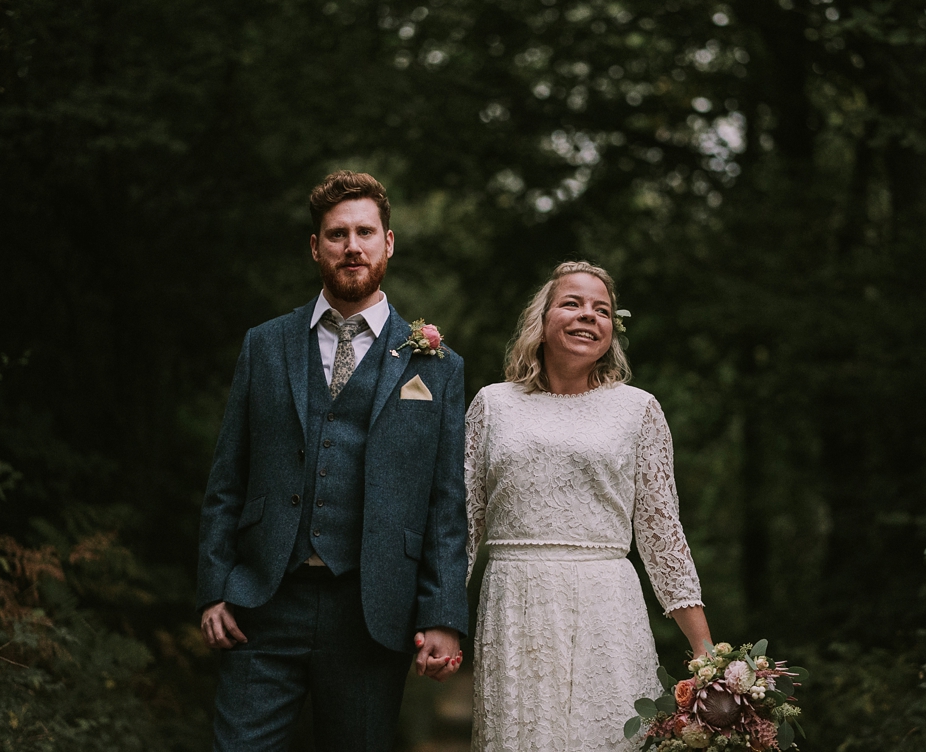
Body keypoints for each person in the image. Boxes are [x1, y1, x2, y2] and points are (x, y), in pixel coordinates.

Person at [195, 170, 469, 752]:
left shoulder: (437, 366)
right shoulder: (264, 345)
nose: (352, 246)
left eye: (365, 232)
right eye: (337, 233)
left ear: (388, 243)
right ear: (315, 247)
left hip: (373, 611)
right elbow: (227, 478)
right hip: (263, 602)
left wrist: (443, 613)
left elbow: (446, 504)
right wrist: (214, 586)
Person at [463, 261, 712, 751]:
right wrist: (440, 620)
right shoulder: (492, 405)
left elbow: (663, 537)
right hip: (515, 602)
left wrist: (705, 650)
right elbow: (462, 526)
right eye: (572, 303)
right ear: (543, 318)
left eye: (602, 310)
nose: (587, 316)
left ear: (611, 331)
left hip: (607, 606)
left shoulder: (638, 410)